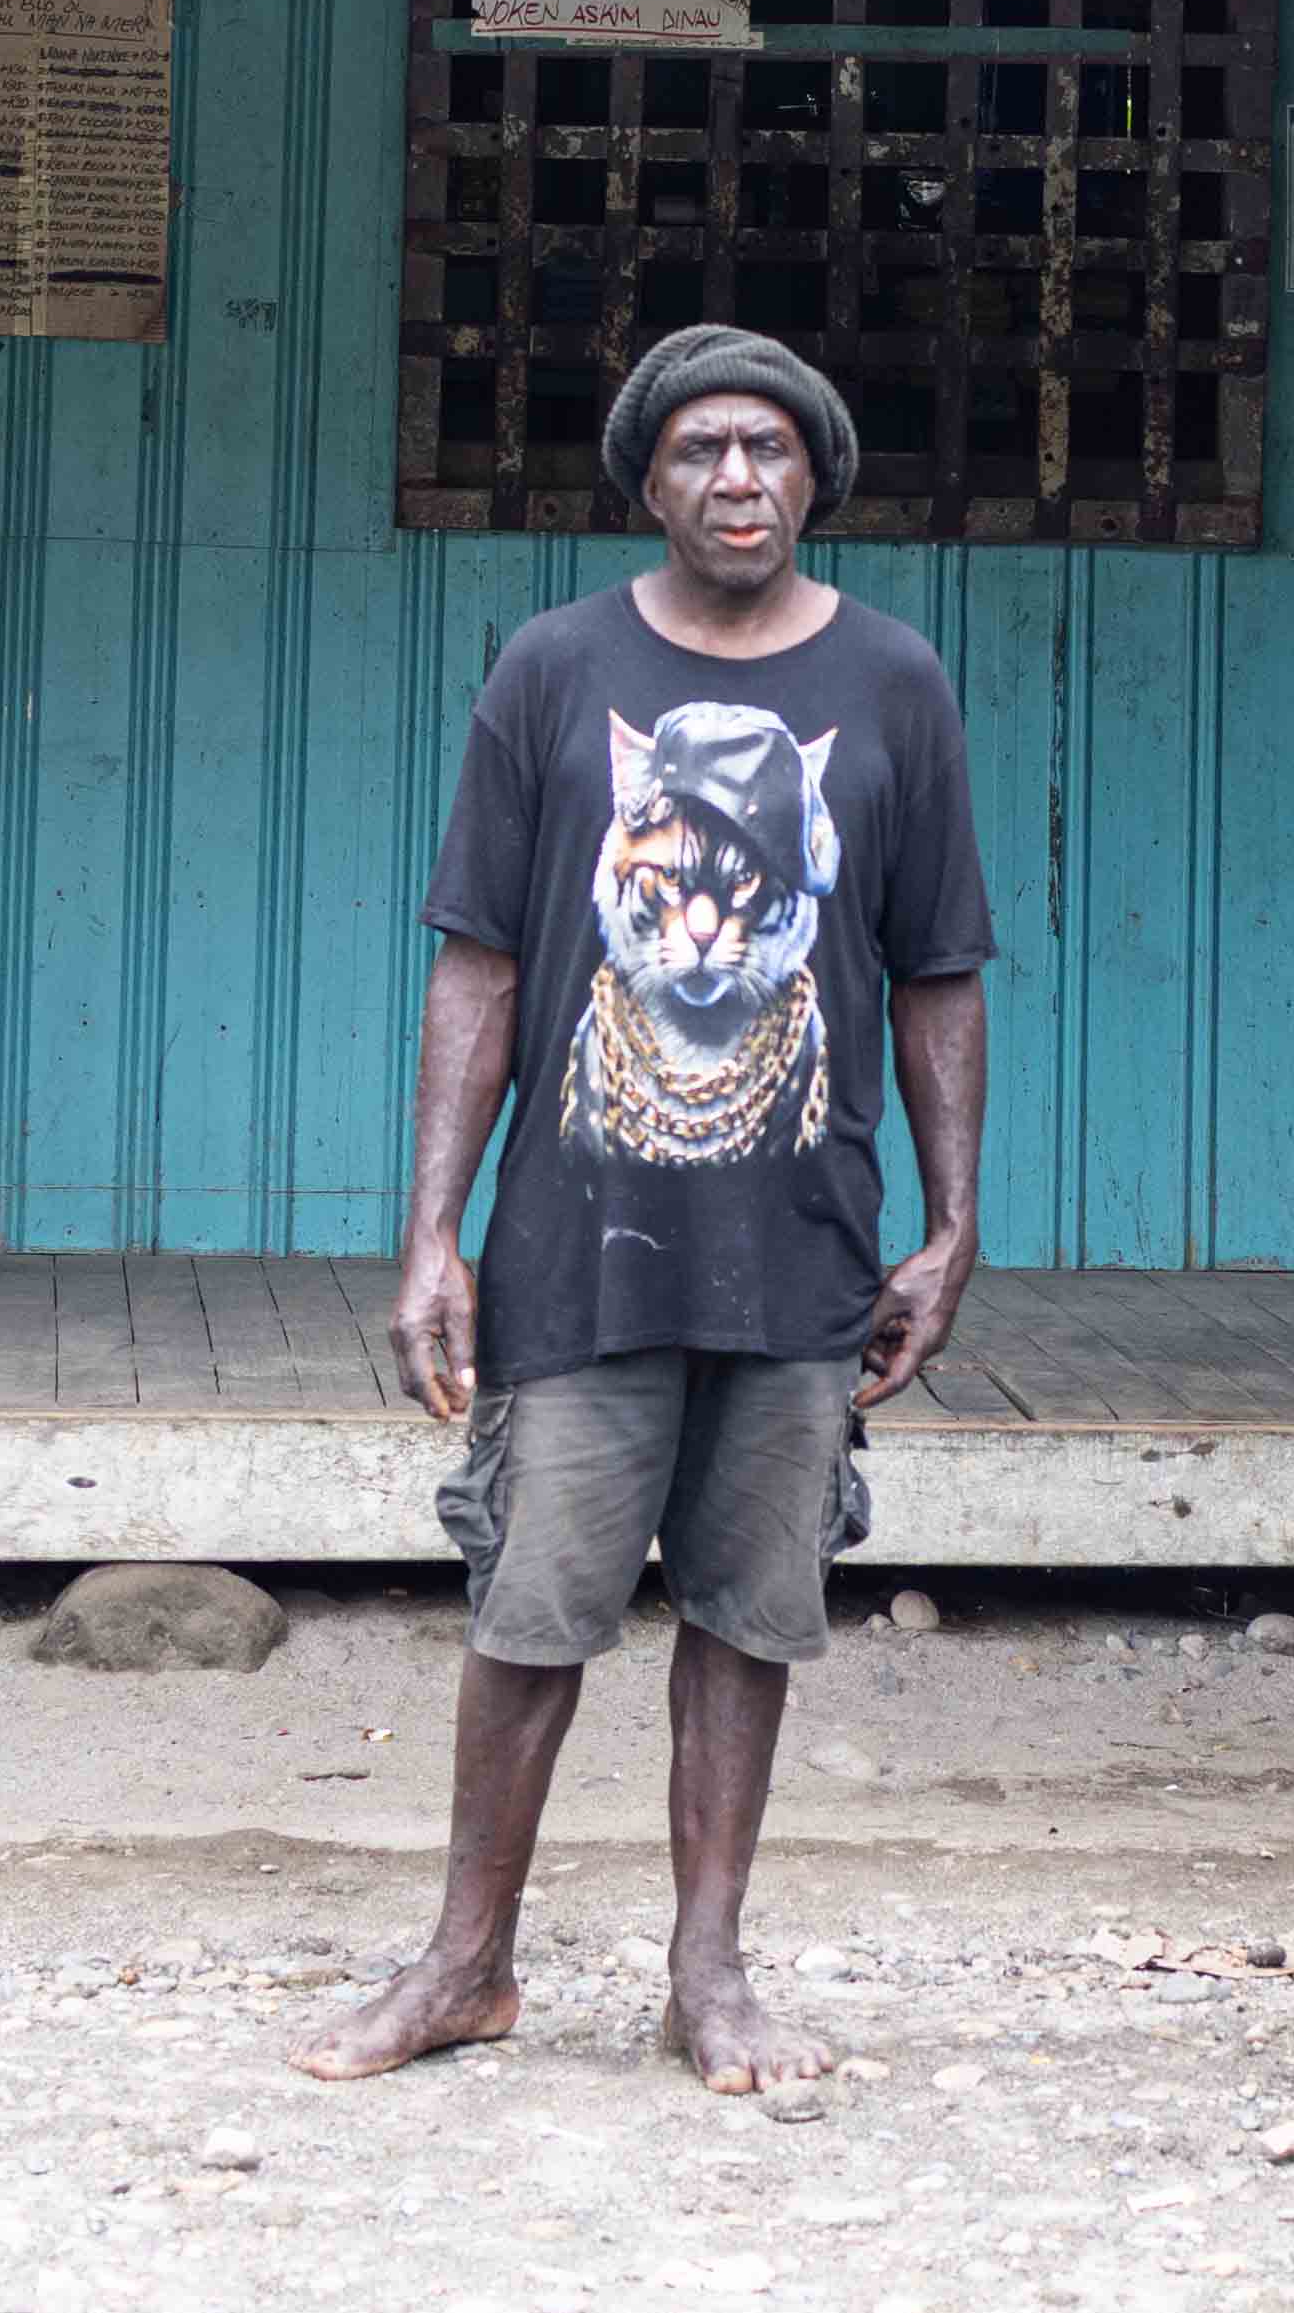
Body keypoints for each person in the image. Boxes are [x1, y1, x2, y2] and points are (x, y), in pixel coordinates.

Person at [295, 324, 991, 2093]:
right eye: (699, 450)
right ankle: (464, 1959)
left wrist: (949, 1217)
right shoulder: (549, 667)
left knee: (752, 1610)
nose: (737, 476)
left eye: (767, 447)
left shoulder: (895, 680)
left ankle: (710, 1973)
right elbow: (482, 959)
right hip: (576, 1228)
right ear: (649, 481)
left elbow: (937, 970)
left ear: (815, 473)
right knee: (533, 1604)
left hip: (806, 1234)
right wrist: (432, 1230)